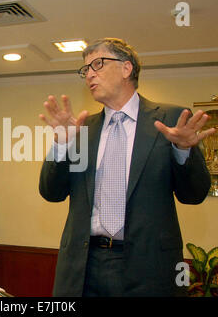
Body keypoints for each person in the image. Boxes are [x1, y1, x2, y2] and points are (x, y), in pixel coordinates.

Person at [39, 37, 216, 297]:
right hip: (84, 267)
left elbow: (194, 195)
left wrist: (183, 150)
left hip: (149, 268)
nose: (89, 74)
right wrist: (61, 145)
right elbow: (51, 192)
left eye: (97, 64)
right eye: (85, 69)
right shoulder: (82, 129)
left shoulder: (171, 119)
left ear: (126, 68)